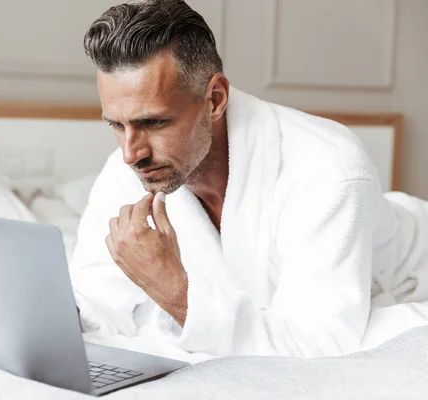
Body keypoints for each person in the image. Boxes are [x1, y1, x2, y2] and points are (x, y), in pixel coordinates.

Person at [70, 0, 428, 358]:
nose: (132, 153)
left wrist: (173, 289)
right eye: (117, 125)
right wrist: (64, 316)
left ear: (215, 99)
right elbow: (100, 301)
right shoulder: (127, 168)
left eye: (154, 122)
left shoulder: (328, 169)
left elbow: (317, 348)